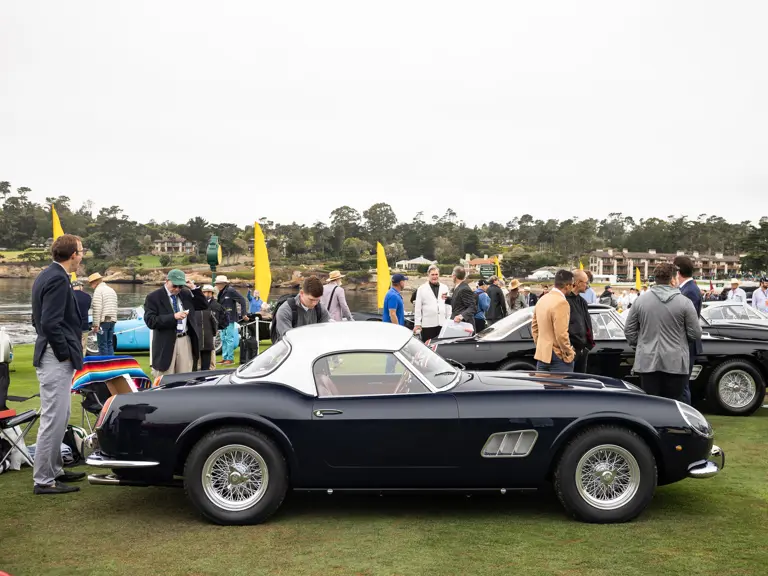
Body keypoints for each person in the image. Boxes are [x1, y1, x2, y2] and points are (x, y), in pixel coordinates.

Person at [30, 234, 86, 494]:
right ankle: (44, 480)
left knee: (61, 416)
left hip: (53, 353)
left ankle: (55, 470)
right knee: (53, 418)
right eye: (81, 251)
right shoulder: (56, 278)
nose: (83, 255)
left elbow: (37, 319)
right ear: (73, 254)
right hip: (55, 356)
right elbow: (49, 323)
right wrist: (63, 352)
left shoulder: (47, 275)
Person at [624, 263, 702, 400]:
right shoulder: (684, 302)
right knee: (675, 405)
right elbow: (695, 333)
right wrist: (681, 343)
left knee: (650, 404)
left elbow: (629, 331)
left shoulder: (640, 301)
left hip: (648, 361)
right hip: (676, 361)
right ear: (672, 279)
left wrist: (643, 344)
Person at [144, 269, 209, 379]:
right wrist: (173, 317)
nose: (177, 289)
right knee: (165, 377)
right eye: (175, 286)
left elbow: (203, 305)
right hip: (165, 341)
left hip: (185, 340)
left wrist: (194, 288)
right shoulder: (154, 297)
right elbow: (151, 321)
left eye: (180, 286)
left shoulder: (185, 293)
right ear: (167, 281)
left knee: (185, 377)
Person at [532, 270, 576, 372]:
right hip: (558, 357)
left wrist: (541, 346)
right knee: (561, 387)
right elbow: (561, 334)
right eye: (573, 285)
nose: (572, 288)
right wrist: (569, 352)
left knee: (544, 387)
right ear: (567, 285)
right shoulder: (562, 302)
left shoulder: (542, 299)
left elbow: (534, 328)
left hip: (542, 354)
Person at [674, 255, 702, 405]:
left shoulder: (689, 291)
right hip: (686, 343)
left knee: (683, 386)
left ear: (678, 271)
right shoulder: (687, 288)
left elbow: (688, 321)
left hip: (687, 344)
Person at [274, 276, 330, 341]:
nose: (314, 303)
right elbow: (287, 338)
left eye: (317, 300)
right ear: (302, 293)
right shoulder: (285, 310)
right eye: (311, 299)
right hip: (289, 349)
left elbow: (325, 334)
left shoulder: (321, 309)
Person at [215, 275, 249, 365]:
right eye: (216, 284)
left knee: (229, 338)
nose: (217, 285)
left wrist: (243, 313)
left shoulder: (230, 291)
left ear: (223, 283)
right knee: (223, 338)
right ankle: (225, 357)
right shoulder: (221, 292)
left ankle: (230, 359)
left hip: (230, 318)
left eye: (218, 283)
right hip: (223, 319)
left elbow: (242, 300)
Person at [567, 270, 594, 373]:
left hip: (583, 349)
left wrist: (587, 345)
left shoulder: (582, 302)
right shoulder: (565, 301)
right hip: (571, 350)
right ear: (578, 283)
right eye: (586, 282)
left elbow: (586, 324)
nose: (587, 285)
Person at [413, 264, 450, 341]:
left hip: (442, 323)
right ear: (428, 275)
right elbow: (418, 308)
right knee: (428, 346)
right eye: (432, 274)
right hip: (427, 324)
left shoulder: (445, 287)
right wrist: (417, 323)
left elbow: (448, 306)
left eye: (436, 274)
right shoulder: (421, 289)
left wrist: (448, 320)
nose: (434, 276)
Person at [88, 272, 118, 356]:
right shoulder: (111, 290)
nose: (91, 286)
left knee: (102, 344)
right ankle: (112, 363)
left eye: (91, 284)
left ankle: (105, 364)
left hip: (103, 321)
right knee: (109, 343)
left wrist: (95, 325)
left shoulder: (98, 291)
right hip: (112, 320)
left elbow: (97, 309)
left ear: (95, 282)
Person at [197, 285, 226, 371]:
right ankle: (200, 368)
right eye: (205, 292)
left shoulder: (217, 306)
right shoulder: (198, 304)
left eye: (209, 292)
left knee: (211, 351)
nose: (207, 294)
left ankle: (211, 368)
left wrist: (217, 328)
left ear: (212, 293)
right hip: (200, 331)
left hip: (211, 332)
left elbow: (224, 318)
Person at [71, 280, 91, 357]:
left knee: (73, 345)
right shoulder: (87, 297)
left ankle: (74, 363)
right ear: (80, 287)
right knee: (83, 347)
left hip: (72, 325)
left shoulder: (68, 296)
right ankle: (82, 364)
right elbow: (87, 308)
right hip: (84, 324)